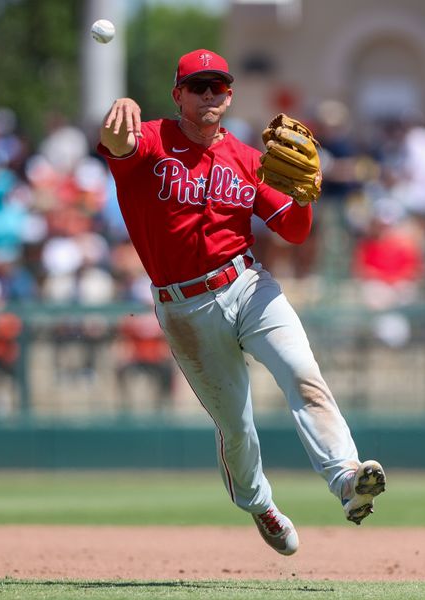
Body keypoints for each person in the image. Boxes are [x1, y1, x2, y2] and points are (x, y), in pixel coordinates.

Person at [96, 49, 385, 556]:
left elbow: (294, 234)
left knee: (302, 373)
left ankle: (346, 479)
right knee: (237, 425)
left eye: (219, 86)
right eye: (198, 85)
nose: (210, 94)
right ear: (178, 95)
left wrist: (302, 197)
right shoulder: (151, 140)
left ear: (230, 95)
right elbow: (117, 144)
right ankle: (260, 504)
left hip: (247, 284)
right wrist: (118, 114)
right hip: (185, 308)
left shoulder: (251, 160)